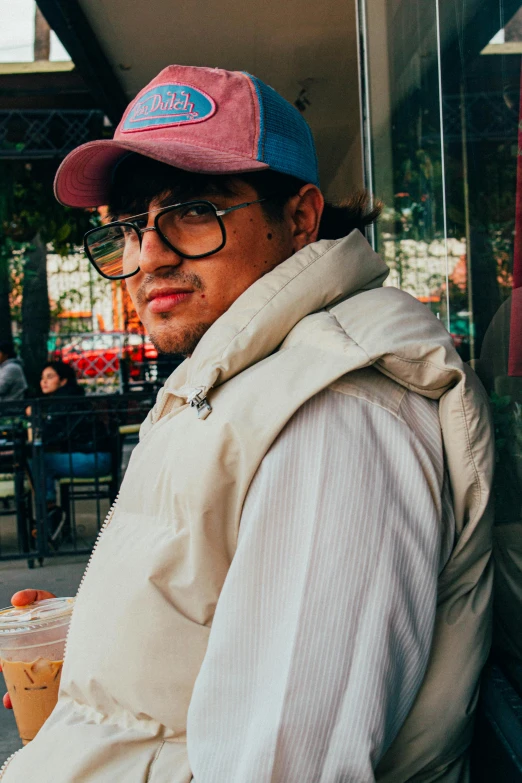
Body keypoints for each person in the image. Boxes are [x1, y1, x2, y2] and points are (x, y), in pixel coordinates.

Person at [1, 65, 494, 782]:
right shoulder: (244, 378)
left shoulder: (336, 416)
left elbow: (285, 764)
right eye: (133, 227)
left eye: (194, 209)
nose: (151, 255)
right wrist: (102, 636)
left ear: (298, 218)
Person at [33, 361, 112, 545]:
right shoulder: (63, 400)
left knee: (39, 461)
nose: (43, 382)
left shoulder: (66, 402)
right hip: (89, 456)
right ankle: (50, 512)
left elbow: (50, 435)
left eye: (50, 377)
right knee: (39, 461)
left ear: (63, 380)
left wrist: (35, 417)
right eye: (42, 378)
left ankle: (50, 512)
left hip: (95, 459)